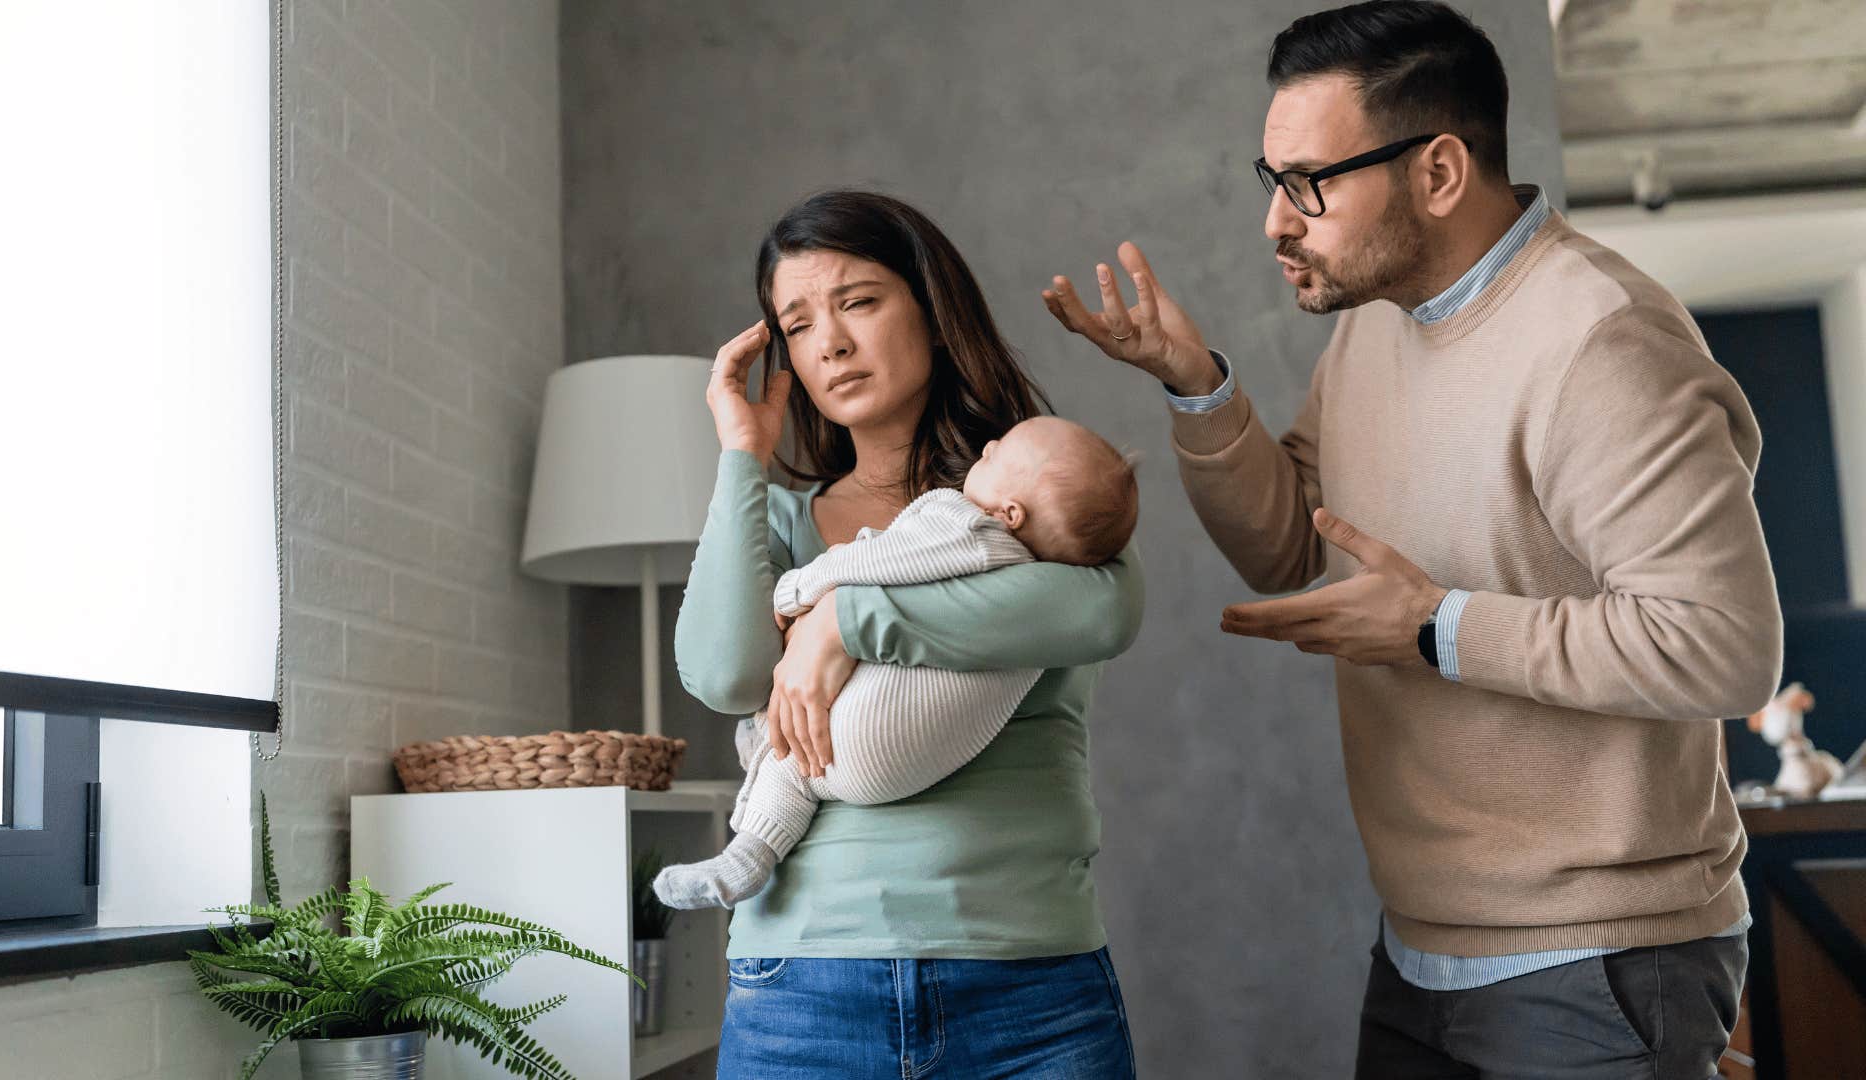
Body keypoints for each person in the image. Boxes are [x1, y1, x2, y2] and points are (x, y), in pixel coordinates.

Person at [1042, 3, 1781, 1076]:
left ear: (1438, 173)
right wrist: (1195, 387)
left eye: (1310, 184)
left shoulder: (1601, 339)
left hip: (1597, 964)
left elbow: (1724, 645)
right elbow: (1296, 545)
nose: (1277, 223)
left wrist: (1439, 626)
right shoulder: (1378, 320)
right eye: (1273, 182)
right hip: (1422, 949)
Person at [676, 189, 1144, 1078]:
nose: (831, 343)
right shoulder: (776, 519)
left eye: (858, 301)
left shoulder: (1040, 496)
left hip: (1029, 990)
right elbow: (725, 674)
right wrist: (742, 454)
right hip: (805, 988)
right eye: (798, 323)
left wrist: (847, 619)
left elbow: (1105, 612)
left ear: (933, 311)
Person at [654, 415, 1138, 911]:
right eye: (801, 330)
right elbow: (722, 675)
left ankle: (754, 820)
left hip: (871, 738)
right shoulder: (1043, 585)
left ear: (1010, 513)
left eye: (1000, 455)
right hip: (902, 763)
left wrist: (808, 590)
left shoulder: (968, 526)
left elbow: (881, 560)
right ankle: (747, 854)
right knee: (799, 758)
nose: (989, 446)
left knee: (795, 749)